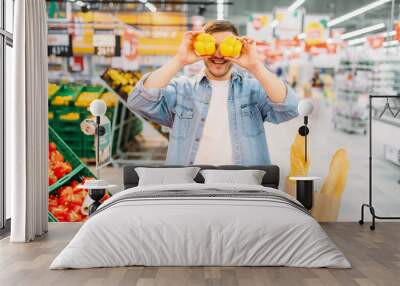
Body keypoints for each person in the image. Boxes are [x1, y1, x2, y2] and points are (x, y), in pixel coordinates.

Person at [128, 20, 299, 165]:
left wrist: (256, 66)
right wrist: (179, 60)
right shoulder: (181, 90)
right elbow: (139, 102)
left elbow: (289, 108)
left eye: (224, 47)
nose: (218, 54)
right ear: (200, 47)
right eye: (212, 46)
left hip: (245, 188)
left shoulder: (253, 90)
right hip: (189, 188)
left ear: (238, 48)